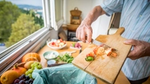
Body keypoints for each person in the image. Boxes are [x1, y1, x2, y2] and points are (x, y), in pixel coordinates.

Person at [76, 0, 150, 84]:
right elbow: (99, 9)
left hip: (137, 73)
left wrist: (148, 49)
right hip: (113, 65)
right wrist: (85, 22)